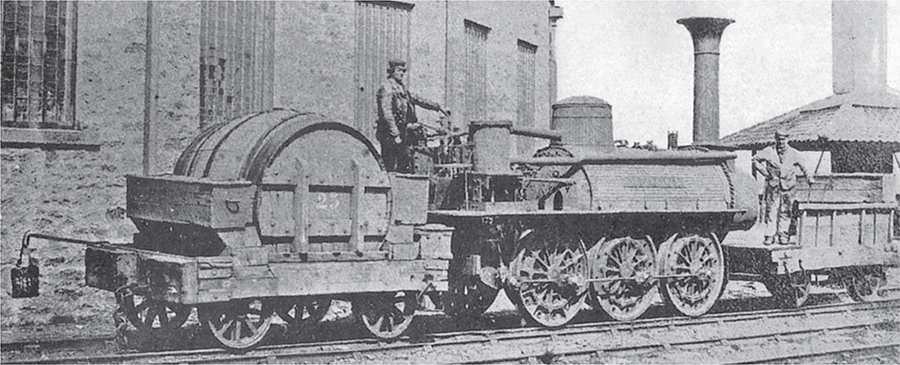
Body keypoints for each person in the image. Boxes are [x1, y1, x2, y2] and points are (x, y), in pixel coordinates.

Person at [376, 59, 450, 173]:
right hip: (389, 134)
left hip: (401, 132)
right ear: (392, 71)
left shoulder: (402, 88)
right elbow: (387, 114)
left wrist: (438, 107)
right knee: (390, 165)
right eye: (399, 71)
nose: (402, 73)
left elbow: (419, 99)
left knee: (404, 163)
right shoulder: (387, 88)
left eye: (403, 71)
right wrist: (395, 134)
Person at [752, 130, 815, 245]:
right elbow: (755, 159)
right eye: (779, 139)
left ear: (787, 139)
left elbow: (804, 166)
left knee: (786, 211)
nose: (781, 142)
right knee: (771, 211)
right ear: (775, 139)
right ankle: (769, 236)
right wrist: (766, 173)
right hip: (773, 186)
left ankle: (783, 235)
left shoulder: (794, 153)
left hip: (789, 187)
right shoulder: (768, 151)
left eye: (783, 139)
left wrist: (809, 177)